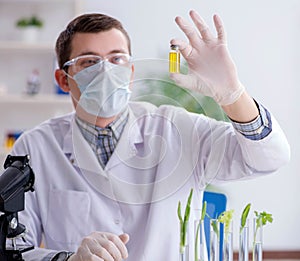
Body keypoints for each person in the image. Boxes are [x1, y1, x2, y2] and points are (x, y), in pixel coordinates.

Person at [9, 10, 289, 261]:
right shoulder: (34, 147)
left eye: (116, 58)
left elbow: (268, 158)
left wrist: (232, 94)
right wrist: (69, 260)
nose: (106, 70)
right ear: (63, 79)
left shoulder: (178, 129)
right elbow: (14, 250)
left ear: (130, 73)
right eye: (89, 62)